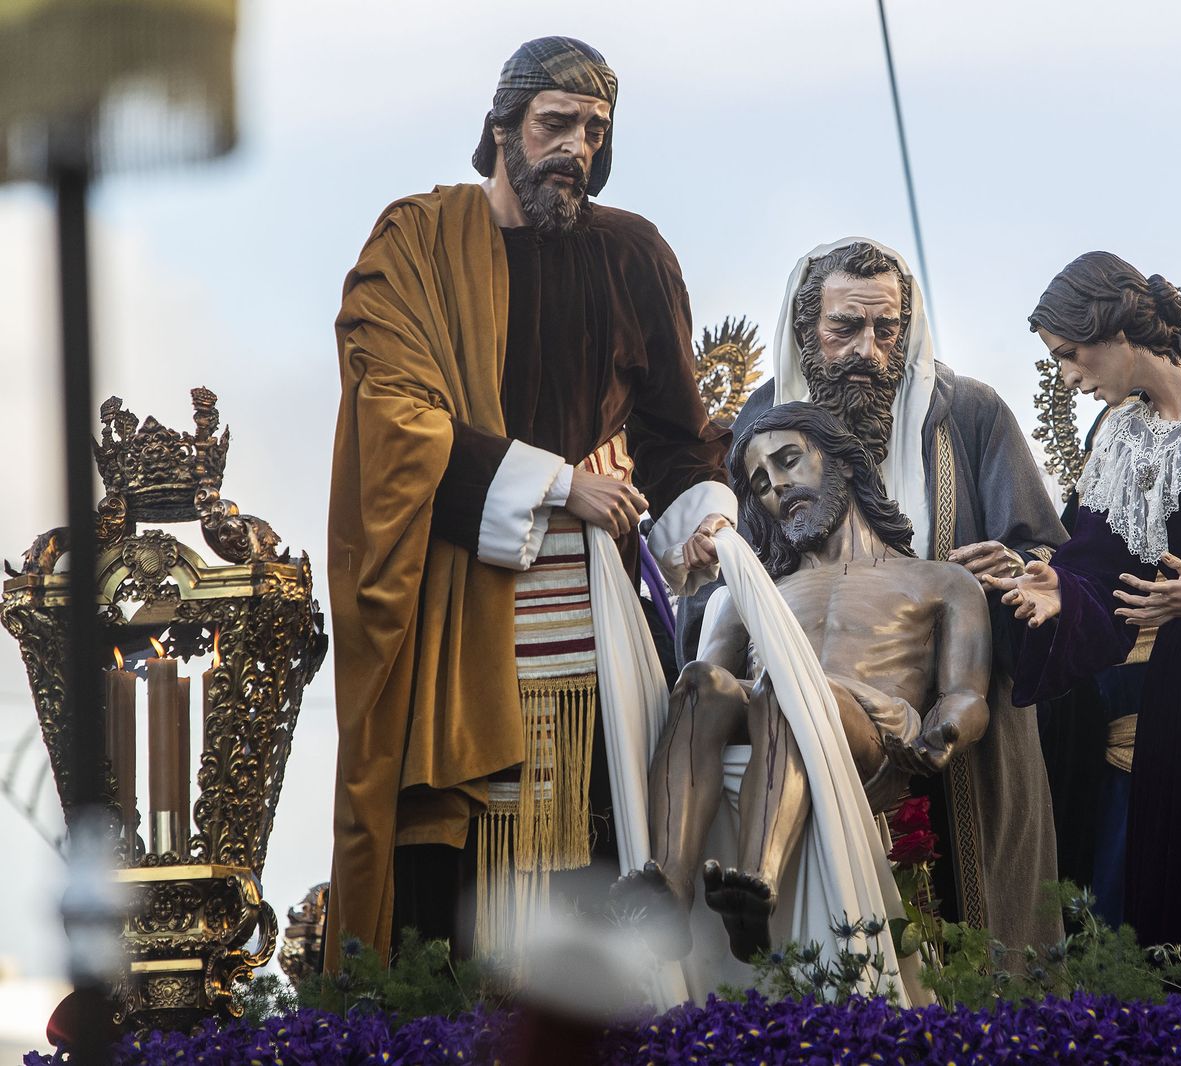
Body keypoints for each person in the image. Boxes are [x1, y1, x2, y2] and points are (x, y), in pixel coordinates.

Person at [326, 36, 736, 963]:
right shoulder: (418, 243)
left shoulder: (632, 252)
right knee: (452, 869)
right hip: (455, 605)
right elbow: (391, 408)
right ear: (502, 128)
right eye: (555, 123)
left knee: (594, 843)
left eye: (595, 130)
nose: (576, 148)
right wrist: (560, 483)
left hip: (592, 612)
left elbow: (677, 431)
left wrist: (705, 517)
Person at [708, 238, 1067, 950]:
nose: (867, 351)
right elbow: (732, 576)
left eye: (886, 329)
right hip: (797, 717)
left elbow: (1049, 558)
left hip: (954, 722)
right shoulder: (761, 422)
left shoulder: (968, 413)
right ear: (805, 331)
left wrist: (1023, 567)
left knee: (968, 948)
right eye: (844, 328)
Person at [988, 251, 1181, 949]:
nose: (1068, 377)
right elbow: (1099, 566)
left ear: (1114, 327)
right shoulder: (1121, 439)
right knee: (1180, 917)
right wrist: (1055, 589)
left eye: (1071, 354)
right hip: (1178, 702)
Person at [615, 402, 990, 971]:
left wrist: (948, 730)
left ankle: (756, 884)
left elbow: (968, 693)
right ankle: (670, 883)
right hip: (777, 710)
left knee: (792, 693)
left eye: (790, 460)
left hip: (871, 733)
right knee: (701, 680)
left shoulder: (940, 581)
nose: (778, 487)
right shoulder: (757, 590)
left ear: (840, 460)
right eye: (760, 483)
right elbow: (712, 685)